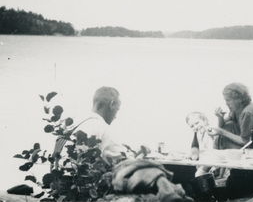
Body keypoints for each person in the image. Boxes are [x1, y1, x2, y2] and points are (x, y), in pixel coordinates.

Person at [54, 86, 193, 202]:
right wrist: (141, 153)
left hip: (62, 189)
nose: (115, 116)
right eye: (117, 110)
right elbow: (125, 161)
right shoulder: (100, 126)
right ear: (112, 104)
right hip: (84, 192)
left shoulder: (75, 124)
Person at [207, 82, 253, 199]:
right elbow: (224, 126)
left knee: (234, 185)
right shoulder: (237, 109)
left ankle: (224, 172)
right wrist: (220, 118)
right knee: (229, 125)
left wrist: (221, 132)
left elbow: (245, 141)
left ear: (240, 99)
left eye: (228, 100)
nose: (226, 103)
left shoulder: (248, 112)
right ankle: (225, 172)